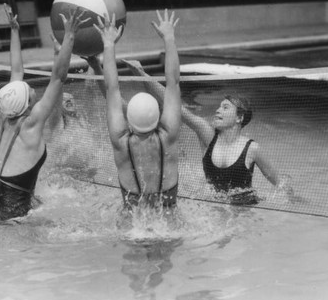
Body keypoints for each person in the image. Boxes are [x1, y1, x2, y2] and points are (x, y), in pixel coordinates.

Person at [122, 60, 291, 205]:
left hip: (246, 211)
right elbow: (174, 106)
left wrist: (295, 200)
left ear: (239, 118)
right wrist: (141, 73)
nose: (218, 110)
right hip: (214, 208)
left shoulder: (252, 149)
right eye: (219, 106)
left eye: (225, 108)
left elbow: (279, 184)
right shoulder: (208, 136)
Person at [0, 4, 89, 220]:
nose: (33, 89)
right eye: (29, 91)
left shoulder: (7, 118)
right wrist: (70, 36)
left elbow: (16, 71)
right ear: (26, 105)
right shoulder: (30, 124)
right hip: (13, 212)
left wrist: (14, 31)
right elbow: (58, 77)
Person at [94, 9, 181, 211]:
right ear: (158, 116)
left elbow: (111, 88)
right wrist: (169, 38)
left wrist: (108, 44)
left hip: (132, 231)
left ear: (128, 118)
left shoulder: (120, 142)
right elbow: (173, 82)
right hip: (169, 228)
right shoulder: (168, 137)